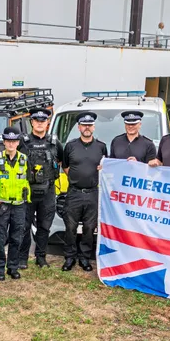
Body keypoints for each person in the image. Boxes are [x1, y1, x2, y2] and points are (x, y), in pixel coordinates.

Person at [61, 112, 108, 272]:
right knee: (70, 227)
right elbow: (66, 166)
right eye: (84, 125)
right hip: (74, 193)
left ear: (93, 127)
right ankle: (69, 257)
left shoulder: (101, 147)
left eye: (89, 125)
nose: (87, 128)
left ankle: (84, 258)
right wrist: (77, 178)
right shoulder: (70, 146)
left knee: (89, 227)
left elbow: (105, 168)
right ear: (79, 127)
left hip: (93, 193)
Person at [20, 107, 62, 268]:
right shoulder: (23, 142)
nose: (39, 123)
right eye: (36, 121)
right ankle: (23, 258)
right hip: (27, 190)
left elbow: (62, 161)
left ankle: (41, 257)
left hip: (48, 191)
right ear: (32, 122)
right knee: (24, 226)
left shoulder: (54, 142)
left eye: (42, 121)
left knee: (45, 226)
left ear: (47, 123)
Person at [0, 126, 31, 280]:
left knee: (16, 237)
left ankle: (12, 267)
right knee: (0, 239)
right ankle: (0, 270)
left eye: (14, 141)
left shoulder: (24, 159)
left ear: (18, 142)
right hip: (1, 205)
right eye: (8, 141)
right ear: (4, 142)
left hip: (19, 205)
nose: (11, 144)